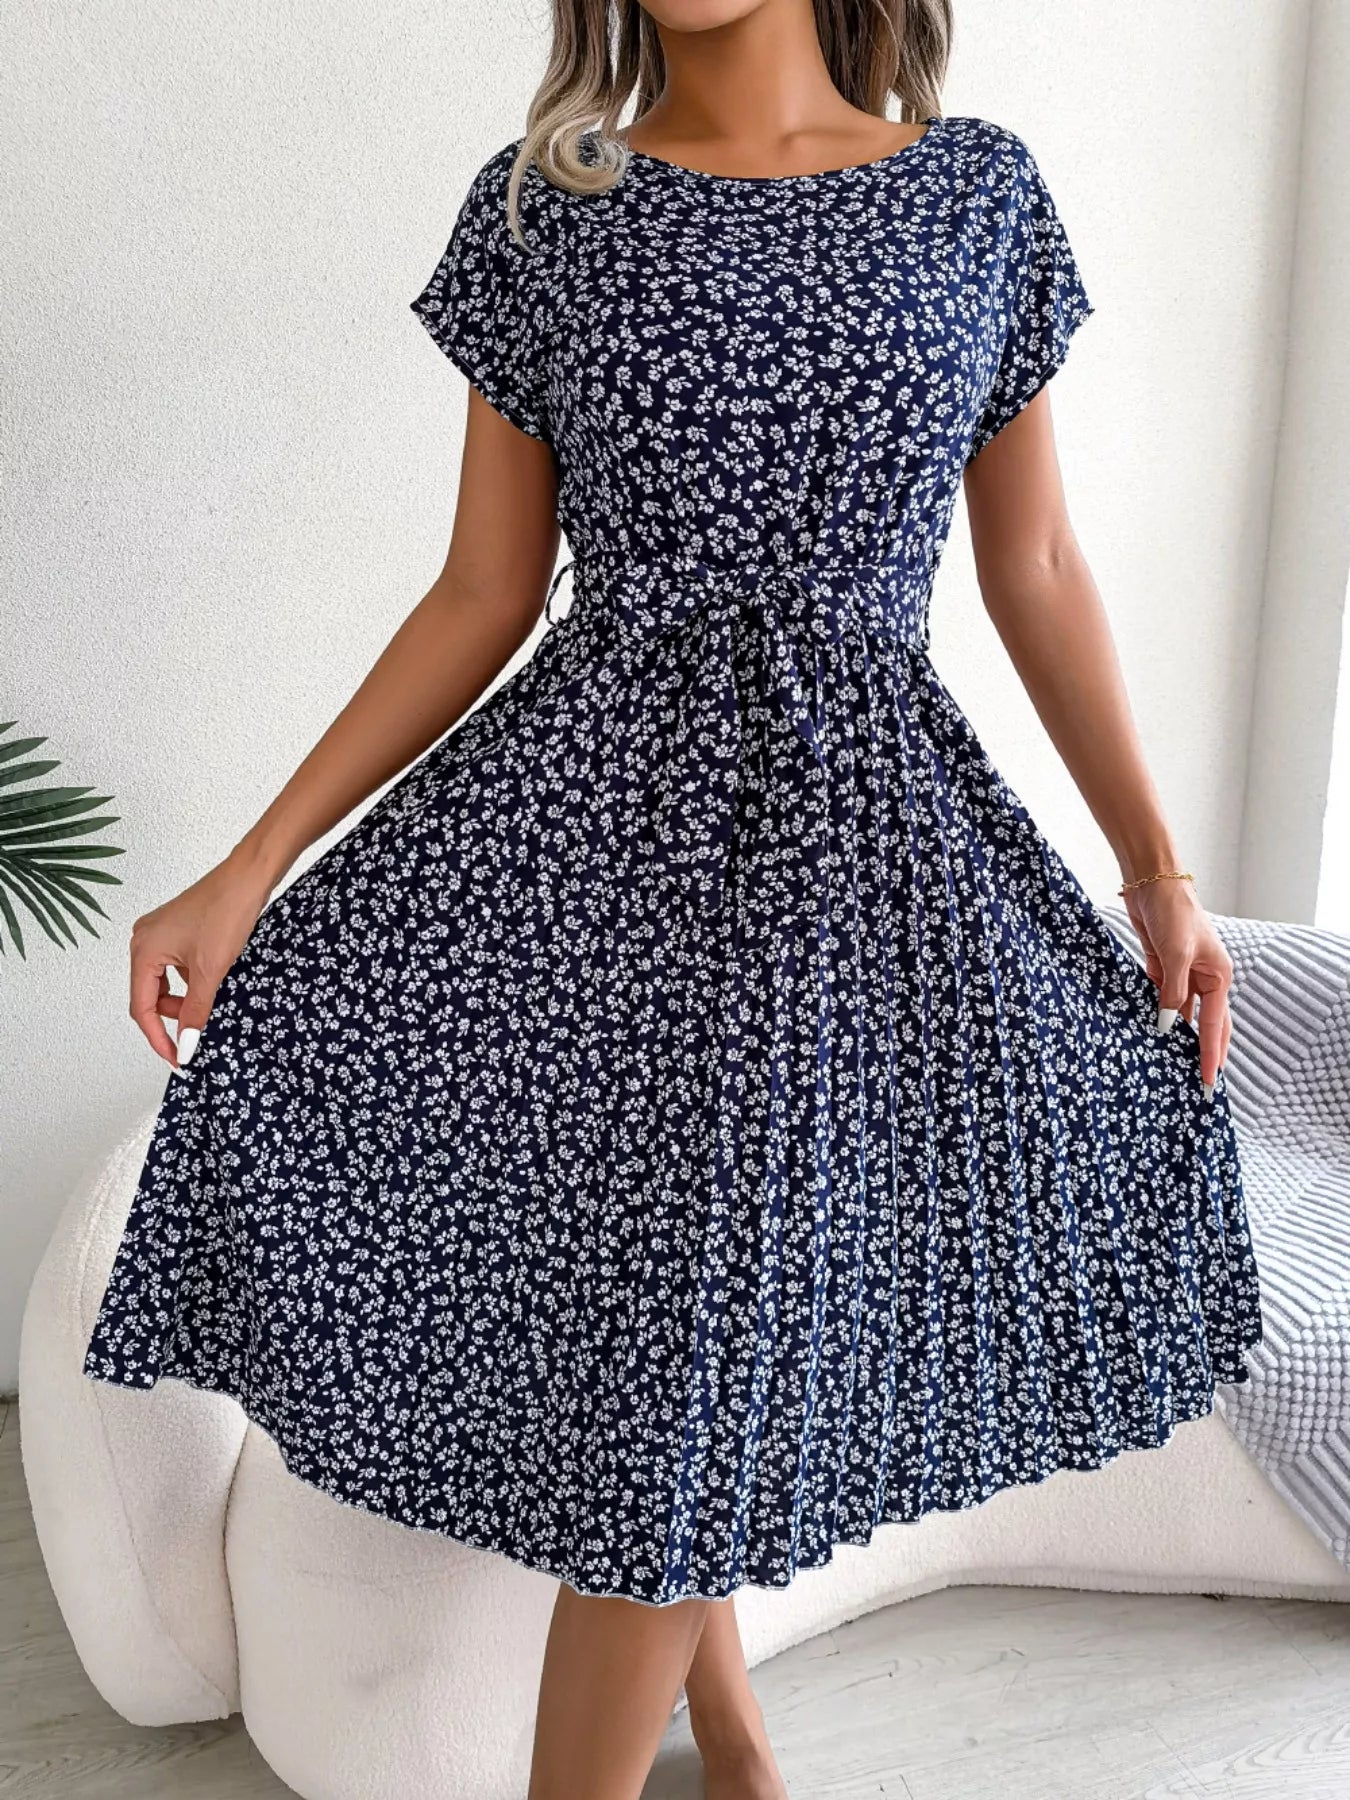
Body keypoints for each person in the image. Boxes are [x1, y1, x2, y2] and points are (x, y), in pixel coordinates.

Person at [83, 1, 1264, 1795]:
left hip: (844, 865)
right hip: (588, 854)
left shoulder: (977, 196)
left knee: (695, 1334)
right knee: (670, 1336)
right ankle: (720, 1722)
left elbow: (1027, 560)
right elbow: (484, 589)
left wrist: (1154, 868)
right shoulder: (545, 200)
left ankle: (715, 1722)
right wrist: (250, 869)